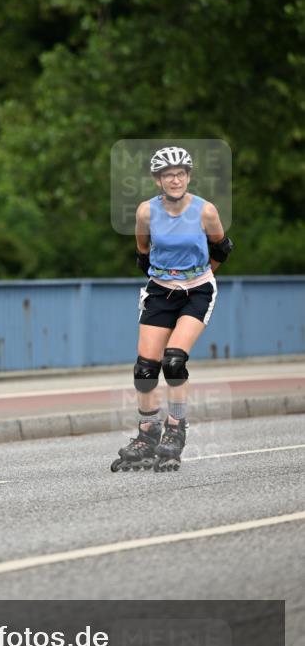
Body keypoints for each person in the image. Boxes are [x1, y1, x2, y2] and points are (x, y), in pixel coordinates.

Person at [111, 146, 233, 472]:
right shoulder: (146, 212)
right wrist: (165, 279)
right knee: (145, 369)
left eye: (180, 174)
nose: (175, 179)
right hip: (160, 291)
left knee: (174, 360)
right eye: (168, 175)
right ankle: (147, 432)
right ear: (158, 181)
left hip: (198, 291)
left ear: (188, 177)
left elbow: (222, 247)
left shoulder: (205, 211)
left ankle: (176, 430)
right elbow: (143, 253)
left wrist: (196, 278)